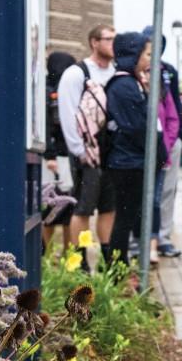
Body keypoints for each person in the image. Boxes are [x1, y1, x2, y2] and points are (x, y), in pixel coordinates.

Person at [57, 24, 116, 270]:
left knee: (109, 207)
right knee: (83, 208)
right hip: (86, 154)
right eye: (108, 39)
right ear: (94, 42)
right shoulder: (76, 73)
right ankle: (79, 261)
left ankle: (106, 259)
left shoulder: (116, 72)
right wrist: (79, 151)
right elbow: (68, 113)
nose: (114, 43)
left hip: (111, 153)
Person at [104, 32, 155, 268]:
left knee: (128, 218)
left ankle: (120, 265)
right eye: (146, 54)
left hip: (130, 160)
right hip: (127, 162)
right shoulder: (123, 85)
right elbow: (136, 126)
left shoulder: (130, 81)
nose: (149, 58)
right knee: (124, 220)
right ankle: (117, 269)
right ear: (132, 54)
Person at [144, 26, 182, 259]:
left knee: (166, 192)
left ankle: (163, 237)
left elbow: (175, 109)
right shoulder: (133, 71)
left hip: (168, 141)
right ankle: (141, 238)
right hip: (141, 144)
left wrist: (179, 141)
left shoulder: (168, 71)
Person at [42, 51, 77, 254]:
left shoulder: (64, 89)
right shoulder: (49, 92)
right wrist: (51, 155)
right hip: (56, 158)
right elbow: (47, 126)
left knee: (67, 206)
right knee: (52, 205)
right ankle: (47, 254)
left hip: (65, 155)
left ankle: (66, 252)